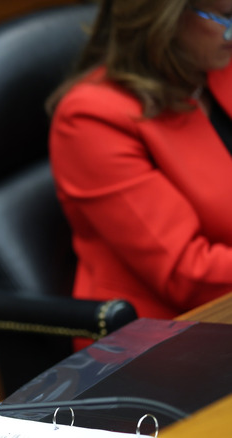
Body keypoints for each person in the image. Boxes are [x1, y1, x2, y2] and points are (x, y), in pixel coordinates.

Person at [48, 0, 232, 325]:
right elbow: (186, 274)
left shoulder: (218, 66)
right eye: (227, 16)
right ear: (164, 17)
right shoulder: (90, 119)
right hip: (172, 341)